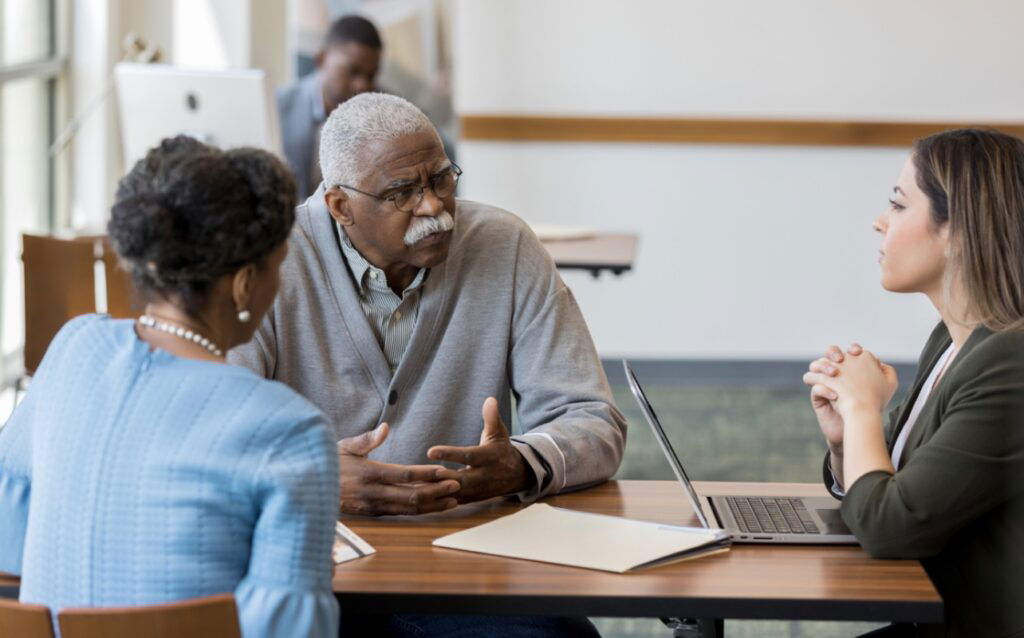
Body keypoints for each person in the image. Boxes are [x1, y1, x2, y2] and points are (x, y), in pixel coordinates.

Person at [228, 92, 624, 637]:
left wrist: (523, 463)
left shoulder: (505, 246)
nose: (434, 207)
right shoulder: (272, 260)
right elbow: (211, 442)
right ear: (340, 206)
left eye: (441, 179)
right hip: (316, 565)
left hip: (468, 566)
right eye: (402, 192)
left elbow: (593, 419)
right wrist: (312, 478)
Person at [0, 136, 340, 637]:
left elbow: (10, 533)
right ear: (245, 283)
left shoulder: (74, 345)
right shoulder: (291, 431)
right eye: (278, 265)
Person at [802, 128, 1024, 638]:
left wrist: (862, 410)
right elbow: (900, 484)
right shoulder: (952, 339)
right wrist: (846, 442)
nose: (879, 222)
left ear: (960, 230)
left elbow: (888, 527)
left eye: (898, 205)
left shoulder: (1009, 363)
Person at [278, 14, 382, 199]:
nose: (363, 85)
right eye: (353, 71)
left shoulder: (385, 109)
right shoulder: (279, 107)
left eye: (371, 76)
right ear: (322, 59)